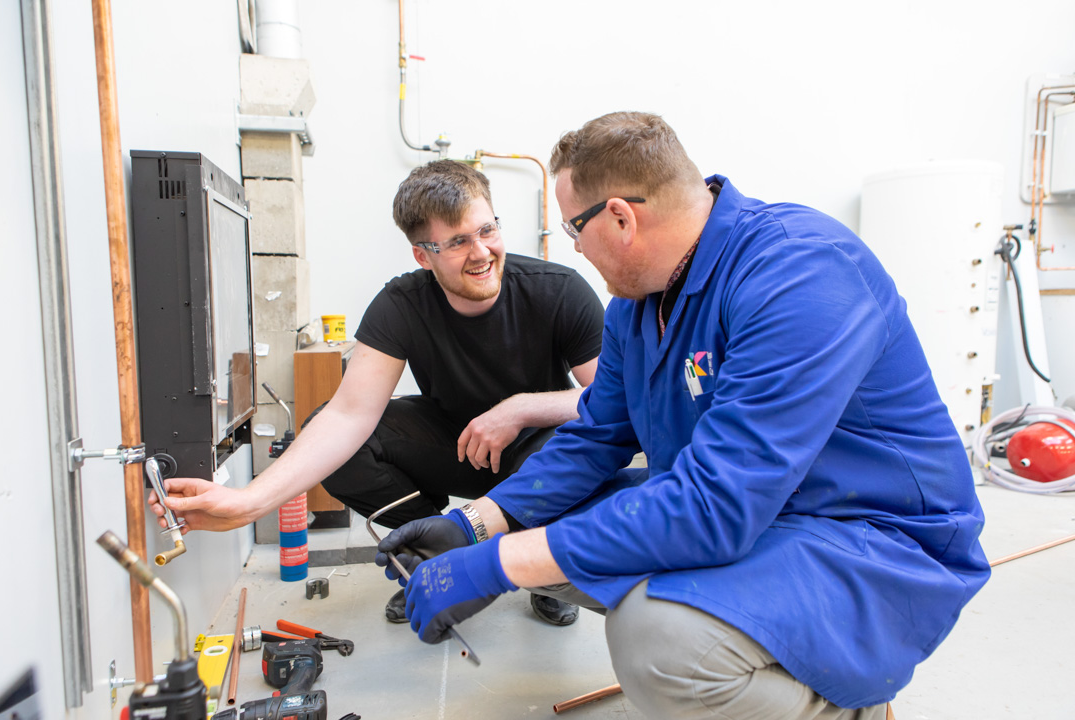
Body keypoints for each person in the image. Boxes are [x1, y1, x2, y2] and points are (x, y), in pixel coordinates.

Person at [376, 112, 991, 719]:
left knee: (658, 640)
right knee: (544, 518)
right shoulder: (636, 307)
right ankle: (746, 639)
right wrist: (478, 526)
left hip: (865, 535)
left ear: (619, 217)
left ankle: (841, 706)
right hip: (756, 512)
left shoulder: (800, 272)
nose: (576, 250)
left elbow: (717, 504)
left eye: (573, 232)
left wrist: (498, 564)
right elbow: (595, 436)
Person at [149, 160, 605, 627]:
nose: (481, 252)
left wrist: (521, 408)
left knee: (569, 446)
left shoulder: (558, 292)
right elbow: (347, 417)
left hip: (535, 454)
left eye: (486, 230)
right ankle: (434, 549)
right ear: (422, 256)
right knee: (341, 443)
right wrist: (246, 504)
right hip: (456, 446)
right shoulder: (402, 304)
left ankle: (540, 562)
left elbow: (615, 401)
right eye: (456, 242)